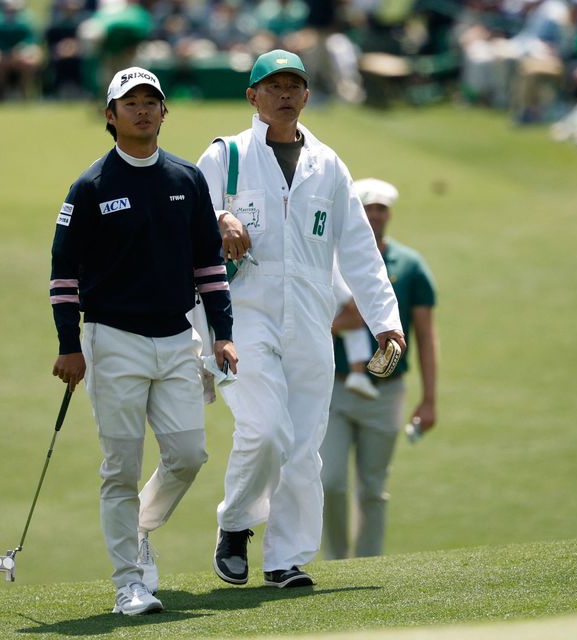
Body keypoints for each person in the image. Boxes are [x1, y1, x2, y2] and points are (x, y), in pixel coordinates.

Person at [196, 49, 404, 589]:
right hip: (240, 315)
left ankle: (285, 558)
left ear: (307, 95)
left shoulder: (329, 164)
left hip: (312, 318)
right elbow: (184, 217)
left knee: (304, 445)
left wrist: (386, 321)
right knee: (264, 430)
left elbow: (359, 249)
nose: (285, 93)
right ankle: (236, 525)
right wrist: (219, 217)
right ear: (252, 96)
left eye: (295, 85)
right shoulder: (226, 156)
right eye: (274, 85)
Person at [49, 66, 237, 615]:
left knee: (188, 454)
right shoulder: (90, 187)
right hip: (112, 340)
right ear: (110, 116)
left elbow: (209, 266)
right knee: (122, 468)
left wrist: (223, 335)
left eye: (152, 101)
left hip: (178, 338)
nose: (143, 110)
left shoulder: (186, 179)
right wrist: (69, 344)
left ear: (163, 112)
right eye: (130, 102)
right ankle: (128, 583)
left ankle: (140, 528)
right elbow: (63, 275)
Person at [320, 178, 438, 560]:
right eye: (367, 207)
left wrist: (429, 400)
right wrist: (337, 326)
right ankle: (337, 561)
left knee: (372, 487)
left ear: (389, 214)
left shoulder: (410, 265)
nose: (374, 215)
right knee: (331, 480)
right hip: (333, 389)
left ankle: (368, 563)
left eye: (381, 208)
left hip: (386, 392)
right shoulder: (329, 260)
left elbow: (426, 335)